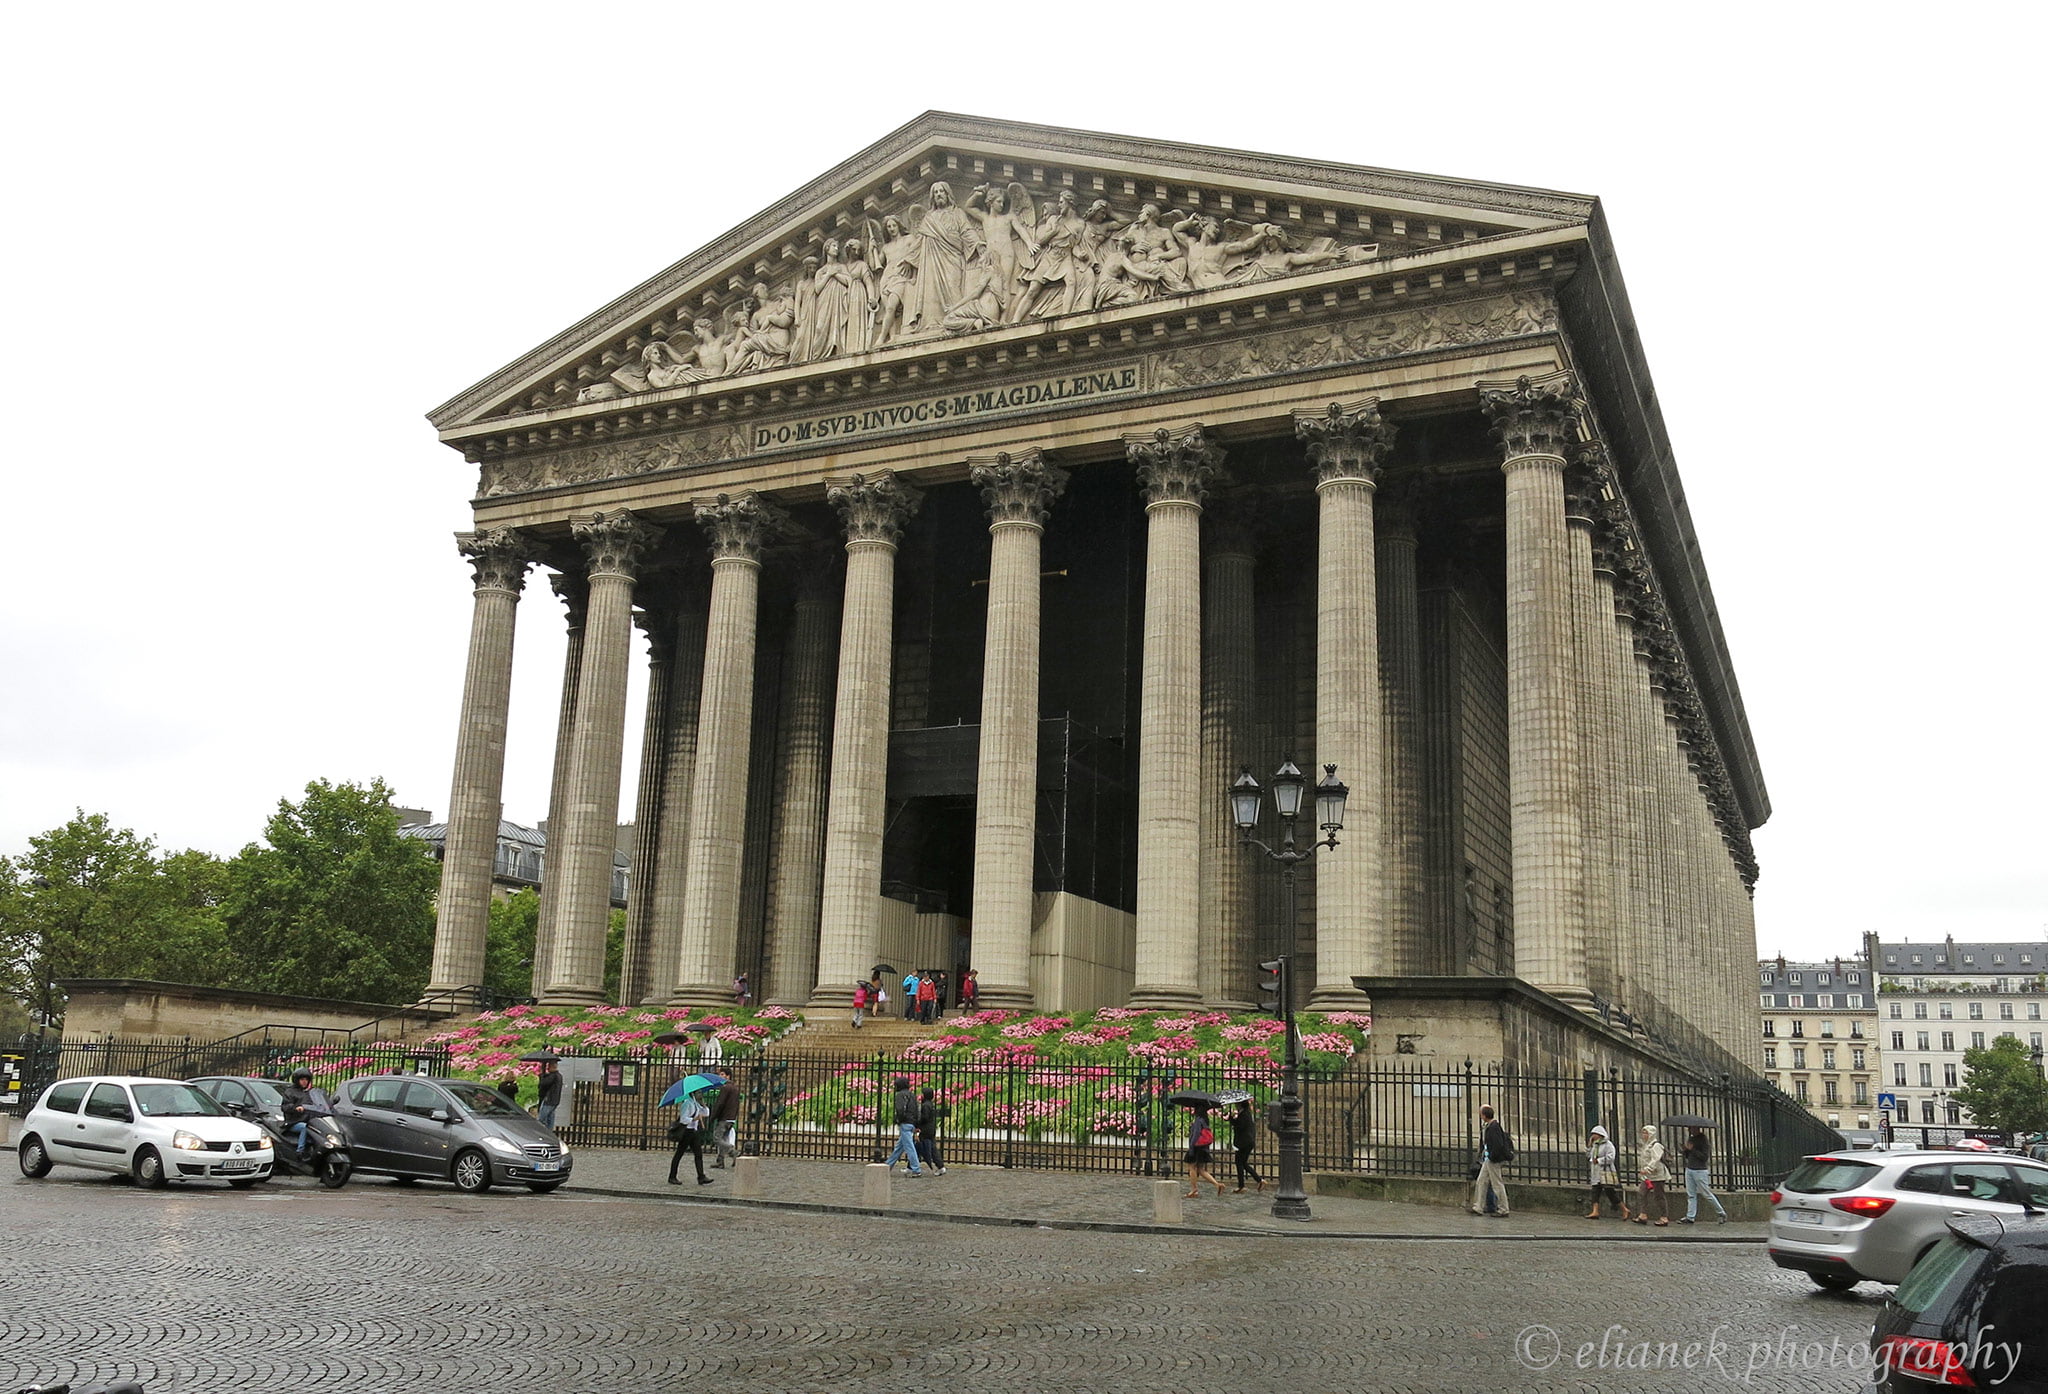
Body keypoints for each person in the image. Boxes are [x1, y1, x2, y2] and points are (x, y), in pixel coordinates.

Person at [1469, 1104, 1513, 1217]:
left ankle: (1504, 1209)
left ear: (1484, 1115)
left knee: (1497, 1183)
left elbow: (1497, 1144)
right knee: (1481, 1181)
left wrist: (1492, 1157)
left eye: (1481, 1114)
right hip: (1489, 1159)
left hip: (1493, 1159)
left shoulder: (1494, 1127)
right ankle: (1478, 1206)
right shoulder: (1490, 1126)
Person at [1679, 1128, 1728, 1224]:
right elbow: (1688, 1156)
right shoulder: (1691, 1139)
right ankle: (1690, 1216)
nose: (1690, 1130)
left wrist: (1692, 1149)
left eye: (1691, 1128)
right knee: (1691, 1194)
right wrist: (1685, 1150)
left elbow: (1704, 1157)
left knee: (1706, 1193)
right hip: (1690, 1169)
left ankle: (1721, 1212)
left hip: (1700, 1170)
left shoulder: (1704, 1140)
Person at [668, 1088, 711, 1185]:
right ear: (693, 1093)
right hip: (686, 1132)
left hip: (694, 1132)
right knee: (679, 1154)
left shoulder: (696, 1103)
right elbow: (683, 1119)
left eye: (701, 1092)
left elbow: (706, 1113)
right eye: (698, 1092)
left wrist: (703, 1104)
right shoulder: (687, 1103)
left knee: (698, 1154)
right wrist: (694, 1119)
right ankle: (672, 1176)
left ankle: (701, 1176)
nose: (700, 1094)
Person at [884, 1076, 924, 1177]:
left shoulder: (900, 1095)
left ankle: (916, 1169)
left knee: (909, 1147)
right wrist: (916, 1123)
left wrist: (898, 1119)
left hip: (905, 1123)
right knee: (899, 1147)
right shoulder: (912, 1095)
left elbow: (900, 1109)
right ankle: (887, 1166)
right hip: (911, 1123)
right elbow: (917, 1110)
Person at [1182, 1106, 1225, 1198]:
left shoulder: (1198, 1120)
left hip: (1197, 1147)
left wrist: (1191, 1146)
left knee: (1192, 1167)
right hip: (1204, 1147)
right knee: (1201, 1169)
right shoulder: (1205, 1119)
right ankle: (1217, 1184)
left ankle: (1194, 1189)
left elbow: (1196, 1134)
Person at [1633, 1124, 1672, 1225]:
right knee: (1642, 1193)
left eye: (1646, 1133)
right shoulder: (1646, 1145)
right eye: (1643, 1132)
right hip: (1648, 1176)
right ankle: (1643, 1215)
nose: (1644, 1135)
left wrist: (1648, 1169)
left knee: (1659, 1196)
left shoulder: (1656, 1145)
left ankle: (1664, 1217)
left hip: (1657, 1175)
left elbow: (1656, 1159)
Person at [1585, 1125, 1622, 1219]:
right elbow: (1589, 1155)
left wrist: (1599, 1160)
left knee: (1610, 1192)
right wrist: (1589, 1146)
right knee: (1595, 1192)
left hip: (1605, 1172)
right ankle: (1595, 1211)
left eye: (1595, 1134)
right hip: (1596, 1172)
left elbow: (1611, 1157)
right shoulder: (1595, 1145)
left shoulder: (1608, 1145)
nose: (1593, 1136)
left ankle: (1624, 1209)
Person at [280, 1067, 319, 1157]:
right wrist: (295, 1108)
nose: (304, 1082)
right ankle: (300, 1150)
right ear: (297, 1080)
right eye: (302, 1079)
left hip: (309, 1120)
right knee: (305, 1128)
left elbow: (317, 1103)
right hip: (293, 1122)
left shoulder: (310, 1093)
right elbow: (285, 1106)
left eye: (306, 1079)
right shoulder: (290, 1092)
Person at [1230, 1098, 1264, 1194]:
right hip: (1246, 1142)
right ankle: (1258, 1181)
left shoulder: (1244, 1114)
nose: (1236, 1105)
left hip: (1244, 1143)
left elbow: (1240, 1127)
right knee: (1242, 1163)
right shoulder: (1246, 1114)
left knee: (1239, 1162)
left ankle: (1242, 1186)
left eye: (1237, 1103)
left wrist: (1232, 1120)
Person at [914, 1086, 948, 1175]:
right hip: (930, 1129)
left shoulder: (925, 1105)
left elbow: (924, 1118)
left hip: (925, 1130)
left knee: (919, 1147)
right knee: (931, 1148)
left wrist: (917, 1123)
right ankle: (940, 1166)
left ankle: (912, 1166)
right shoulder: (930, 1104)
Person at [710, 1082, 742, 1170]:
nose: (720, 1076)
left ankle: (732, 1151)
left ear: (728, 1076)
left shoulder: (725, 1088)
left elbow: (720, 1103)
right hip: (731, 1118)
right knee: (723, 1138)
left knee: (717, 1138)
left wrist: (713, 1116)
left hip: (724, 1117)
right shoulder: (735, 1088)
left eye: (722, 1074)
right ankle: (720, 1161)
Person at [535, 1059, 562, 1129]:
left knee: (541, 1118)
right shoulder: (559, 1076)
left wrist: (541, 1075)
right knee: (550, 1118)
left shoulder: (553, 1076)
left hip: (549, 1100)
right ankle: (549, 1132)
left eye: (549, 1066)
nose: (548, 1068)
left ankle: (538, 1131)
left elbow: (543, 1083)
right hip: (555, 1100)